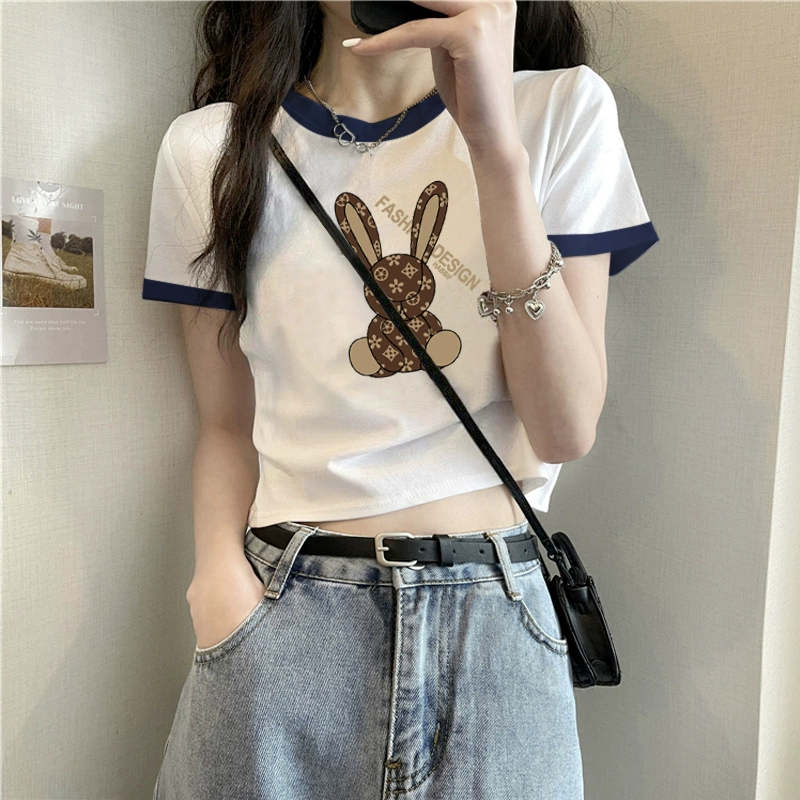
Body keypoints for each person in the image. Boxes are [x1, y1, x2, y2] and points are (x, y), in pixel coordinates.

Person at [142, 2, 659, 798]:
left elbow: (563, 428)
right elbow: (223, 423)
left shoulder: (560, 109)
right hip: (284, 618)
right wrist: (217, 583)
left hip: (496, 626)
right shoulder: (210, 148)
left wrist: (494, 148)